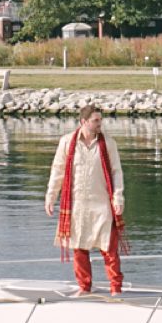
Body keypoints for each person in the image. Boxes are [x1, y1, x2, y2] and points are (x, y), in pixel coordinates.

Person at [45, 104, 125, 296]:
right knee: (79, 248)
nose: (100, 124)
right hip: (77, 205)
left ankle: (116, 289)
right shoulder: (67, 142)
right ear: (83, 122)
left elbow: (116, 172)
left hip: (102, 203)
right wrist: (51, 196)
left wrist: (118, 197)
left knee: (110, 248)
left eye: (100, 120)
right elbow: (58, 170)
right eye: (95, 121)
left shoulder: (108, 143)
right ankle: (84, 287)